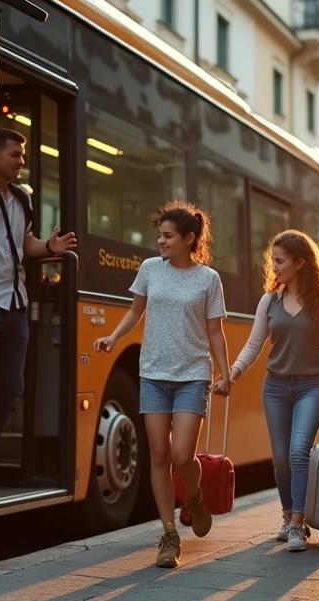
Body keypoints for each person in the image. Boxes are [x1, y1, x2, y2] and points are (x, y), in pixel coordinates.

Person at [93, 201, 231, 569]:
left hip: (192, 376)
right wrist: (113, 336)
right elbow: (135, 311)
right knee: (158, 455)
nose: (160, 241)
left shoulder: (208, 279)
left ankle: (196, 498)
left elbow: (215, 331)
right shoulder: (150, 269)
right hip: (153, 374)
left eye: (168, 236)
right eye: (160, 235)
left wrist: (225, 372)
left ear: (189, 239)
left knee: (183, 456)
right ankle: (169, 534)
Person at [228, 230, 319, 552]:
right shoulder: (270, 301)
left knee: (299, 451)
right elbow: (254, 344)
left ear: (300, 263)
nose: (274, 268)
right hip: (275, 388)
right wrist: (232, 373)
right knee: (281, 459)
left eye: (280, 261)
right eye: (273, 261)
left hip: (312, 385)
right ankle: (287, 514)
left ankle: (298, 524)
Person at [0, 128, 76, 498]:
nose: (21, 161)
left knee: (10, 390)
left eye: (22, 154)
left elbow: (24, 244)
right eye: (14, 154)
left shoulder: (21, 197)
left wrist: (49, 245)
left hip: (15, 303)